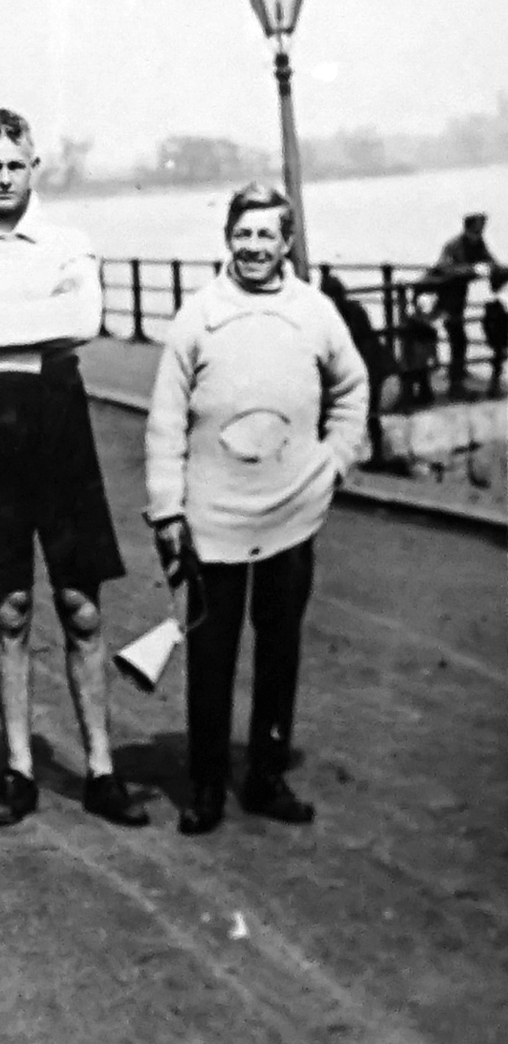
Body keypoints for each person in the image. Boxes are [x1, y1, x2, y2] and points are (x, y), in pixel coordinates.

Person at [0, 107, 146, 827]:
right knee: (9, 606)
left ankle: (101, 768)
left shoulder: (68, 243)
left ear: (34, 167)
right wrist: (35, 330)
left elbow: (85, 320)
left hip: (60, 424)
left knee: (81, 604)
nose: (4, 178)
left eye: (15, 165)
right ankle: (18, 767)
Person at [145, 183, 369, 834]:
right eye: (243, 233)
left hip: (291, 513)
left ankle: (266, 776)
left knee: (280, 647)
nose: (253, 246)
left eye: (266, 234)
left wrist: (334, 462)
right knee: (210, 653)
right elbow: (165, 421)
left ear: (287, 243)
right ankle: (206, 785)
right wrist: (167, 510)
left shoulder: (316, 312)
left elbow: (352, 387)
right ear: (228, 238)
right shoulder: (197, 315)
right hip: (213, 519)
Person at [319, 270, 387, 463]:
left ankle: (378, 454)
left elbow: (357, 342)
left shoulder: (350, 313)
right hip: (361, 364)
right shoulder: (340, 314)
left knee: (371, 411)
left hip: (369, 364)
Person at [429, 213, 494, 398]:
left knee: (459, 338)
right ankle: (455, 383)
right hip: (442, 295)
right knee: (457, 337)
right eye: (477, 229)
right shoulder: (454, 245)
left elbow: (488, 259)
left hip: (458, 297)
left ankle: (456, 375)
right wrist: (470, 270)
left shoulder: (478, 243)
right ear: (468, 228)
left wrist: (495, 268)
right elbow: (443, 267)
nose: (480, 233)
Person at [483, 266, 508, 398]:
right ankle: (494, 386)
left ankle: (494, 386)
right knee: (499, 357)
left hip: (497, 328)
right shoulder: (502, 297)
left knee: (498, 357)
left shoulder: (494, 298)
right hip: (501, 327)